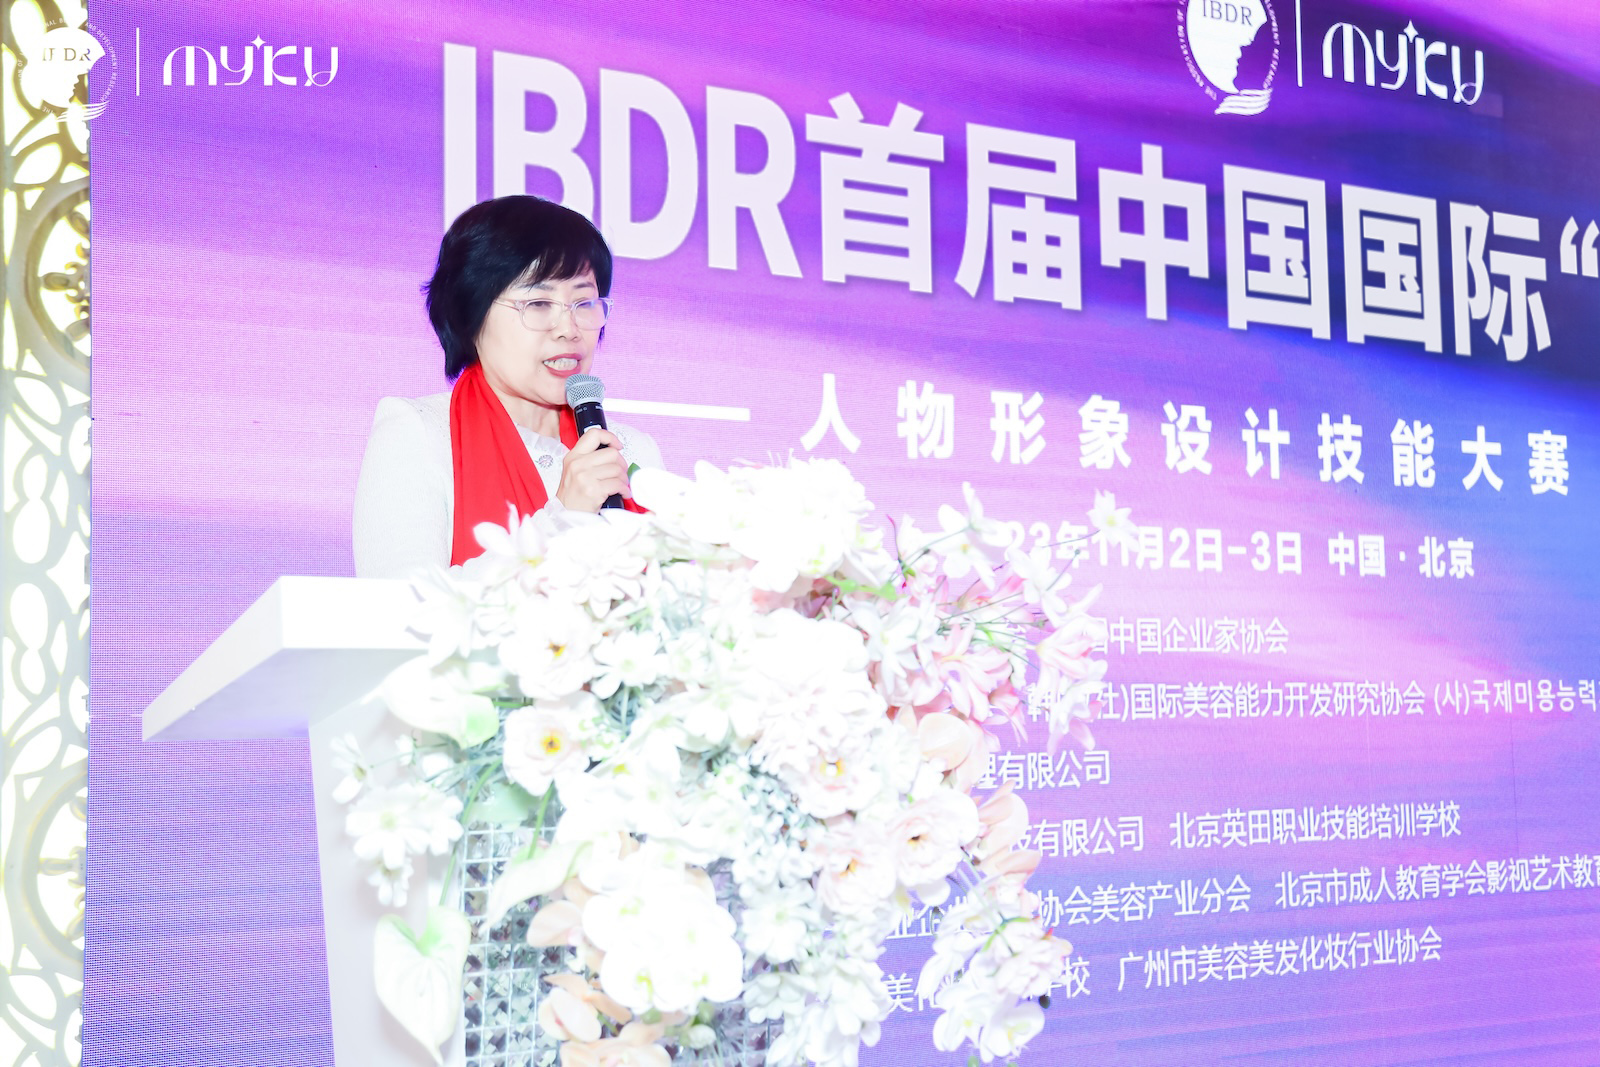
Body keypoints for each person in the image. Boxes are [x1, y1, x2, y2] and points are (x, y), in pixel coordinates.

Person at [352, 195, 662, 578]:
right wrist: (563, 518)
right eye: (539, 303)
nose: (569, 329)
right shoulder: (419, 431)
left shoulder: (631, 449)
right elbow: (399, 605)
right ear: (472, 313)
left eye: (583, 303)